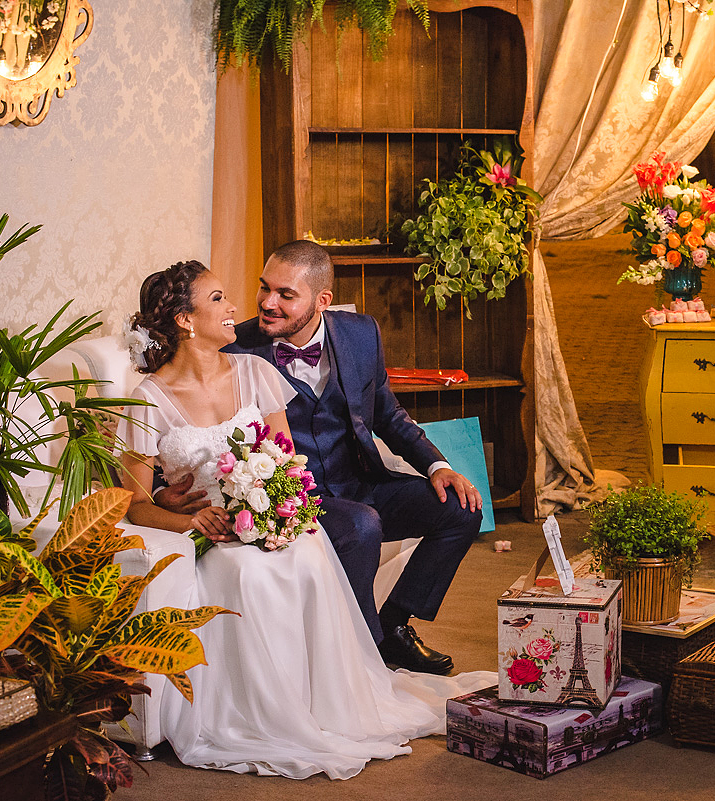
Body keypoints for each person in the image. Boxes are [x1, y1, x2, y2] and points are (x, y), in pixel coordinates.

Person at [118, 261, 492, 780]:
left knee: (455, 511)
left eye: (283, 294)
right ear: (185, 320)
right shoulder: (228, 354)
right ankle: (304, 688)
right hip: (249, 513)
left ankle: (383, 635)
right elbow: (134, 493)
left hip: (334, 487)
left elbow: (377, 415)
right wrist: (175, 504)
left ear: (321, 299)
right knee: (317, 543)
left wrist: (437, 464)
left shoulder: (343, 340)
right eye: (251, 291)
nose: (259, 305)